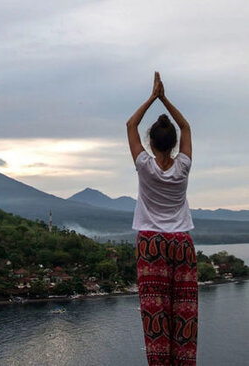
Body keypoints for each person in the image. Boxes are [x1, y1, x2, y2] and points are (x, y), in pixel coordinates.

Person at [126, 72, 198, 366]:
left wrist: (153, 96)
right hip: (182, 243)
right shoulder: (183, 166)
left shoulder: (145, 166)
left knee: (155, 315)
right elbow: (185, 125)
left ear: (151, 143)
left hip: (151, 244)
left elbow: (131, 124)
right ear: (173, 144)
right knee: (184, 315)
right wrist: (165, 98)